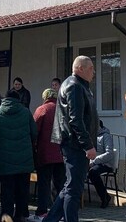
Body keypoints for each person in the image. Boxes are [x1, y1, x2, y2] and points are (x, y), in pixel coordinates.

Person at [42, 56, 98, 222]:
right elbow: (76, 120)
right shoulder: (74, 86)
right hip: (75, 145)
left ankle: (49, 220)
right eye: (91, 68)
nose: (93, 72)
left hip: (75, 144)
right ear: (80, 68)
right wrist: (88, 146)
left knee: (71, 187)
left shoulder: (79, 86)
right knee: (73, 190)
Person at [0, 89, 38, 222]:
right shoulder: (26, 112)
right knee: (22, 189)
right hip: (24, 158)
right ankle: (21, 215)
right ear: (18, 99)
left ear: (5, 98)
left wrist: (0, 145)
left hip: (5, 158)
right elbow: (34, 133)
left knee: (6, 190)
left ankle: (6, 215)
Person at [30, 88, 65, 220]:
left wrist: (34, 148)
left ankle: (42, 212)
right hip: (61, 153)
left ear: (45, 97)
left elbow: (34, 131)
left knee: (44, 184)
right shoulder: (63, 110)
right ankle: (60, 212)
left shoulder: (42, 109)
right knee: (60, 184)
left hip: (45, 153)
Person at [88, 120, 115, 208]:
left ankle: (104, 197)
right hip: (93, 162)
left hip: (105, 163)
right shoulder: (91, 136)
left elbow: (109, 153)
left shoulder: (106, 136)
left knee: (93, 172)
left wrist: (95, 161)